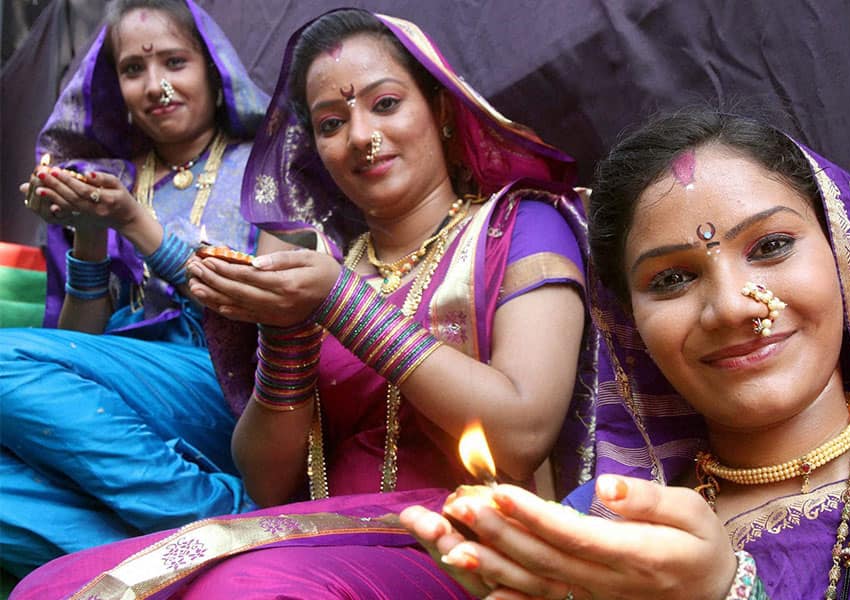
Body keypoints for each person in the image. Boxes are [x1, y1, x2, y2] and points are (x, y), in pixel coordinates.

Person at [10, 8, 597, 598]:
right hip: (317, 533)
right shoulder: (322, 266)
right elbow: (268, 483)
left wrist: (338, 302)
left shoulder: (519, 226)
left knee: (241, 590)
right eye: (332, 122)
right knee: (49, 587)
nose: (362, 137)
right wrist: (288, 335)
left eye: (386, 104)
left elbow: (521, 435)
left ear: (441, 111)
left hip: (458, 536)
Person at [402, 109, 850, 599]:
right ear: (630, 329)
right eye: (670, 280)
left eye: (770, 246)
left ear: (847, 254)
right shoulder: (596, 532)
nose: (734, 308)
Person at [0, 0, 267, 577]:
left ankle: (213, 513)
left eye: (175, 62)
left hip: (232, 387)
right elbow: (73, 350)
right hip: (117, 403)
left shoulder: (264, 171)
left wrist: (136, 226)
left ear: (214, 73)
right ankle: (168, 553)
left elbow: (263, 307)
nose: (156, 86)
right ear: (113, 88)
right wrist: (91, 238)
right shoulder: (111, 178)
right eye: (133, 70)